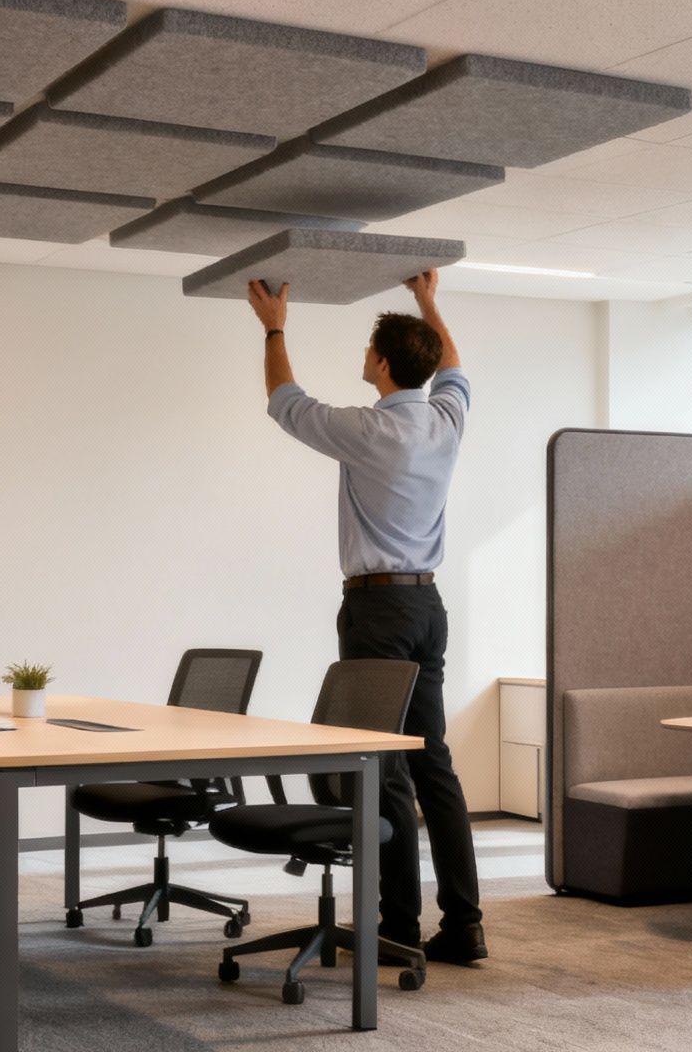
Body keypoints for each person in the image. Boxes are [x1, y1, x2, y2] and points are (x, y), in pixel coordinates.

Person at [245, 268, 487, 965]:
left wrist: (275, 326)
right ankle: (464, 923)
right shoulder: (447, 420)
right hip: (427, 606)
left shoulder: (368, 429)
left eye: (367, 350)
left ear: (380, 363)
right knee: (432, 764)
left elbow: (284, 400)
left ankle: (400, 926)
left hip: (378, 609)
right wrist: (427, 300)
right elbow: (457, 366)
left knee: (384, 769)